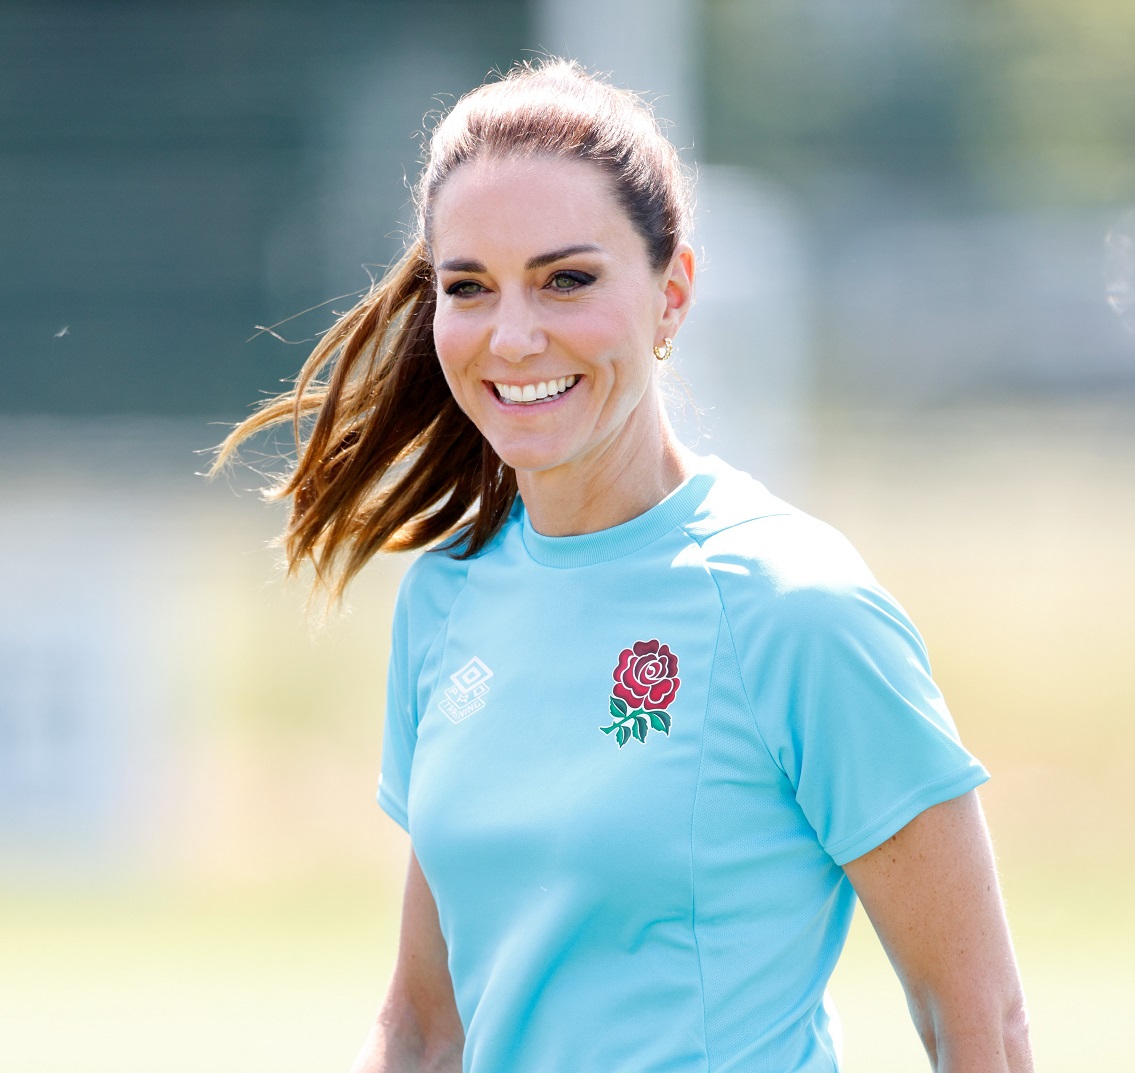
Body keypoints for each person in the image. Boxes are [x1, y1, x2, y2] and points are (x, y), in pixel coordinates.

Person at [214, 59, 1033, 1073]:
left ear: (672, 293)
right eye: (469, 287)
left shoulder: (795, 605)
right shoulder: (446, 595)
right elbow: (427, 1025)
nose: (513, 336)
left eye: (567, 279)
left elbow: (979, 1025)